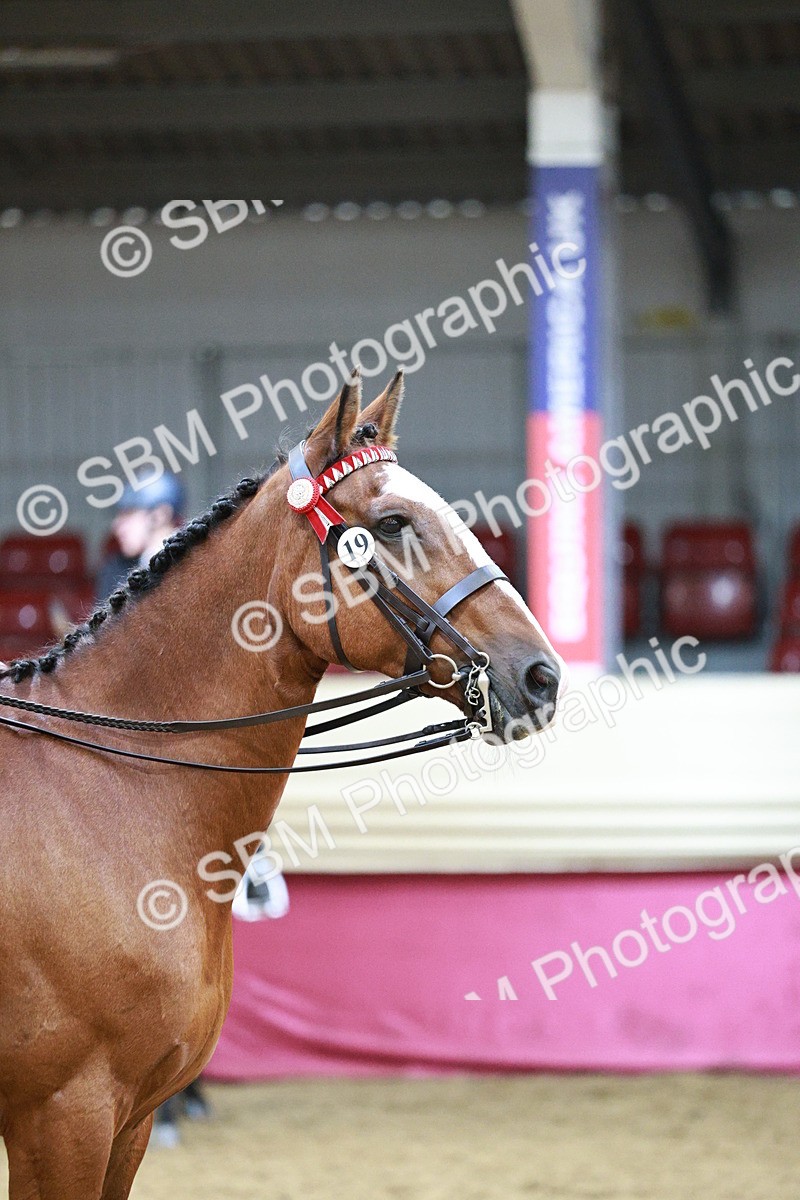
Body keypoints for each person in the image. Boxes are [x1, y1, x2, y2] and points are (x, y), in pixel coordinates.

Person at [96, 473, 186, 600]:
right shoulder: (116, 571)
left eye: (128, 513)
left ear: (161, 515)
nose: (116, 526)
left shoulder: (193, 563)